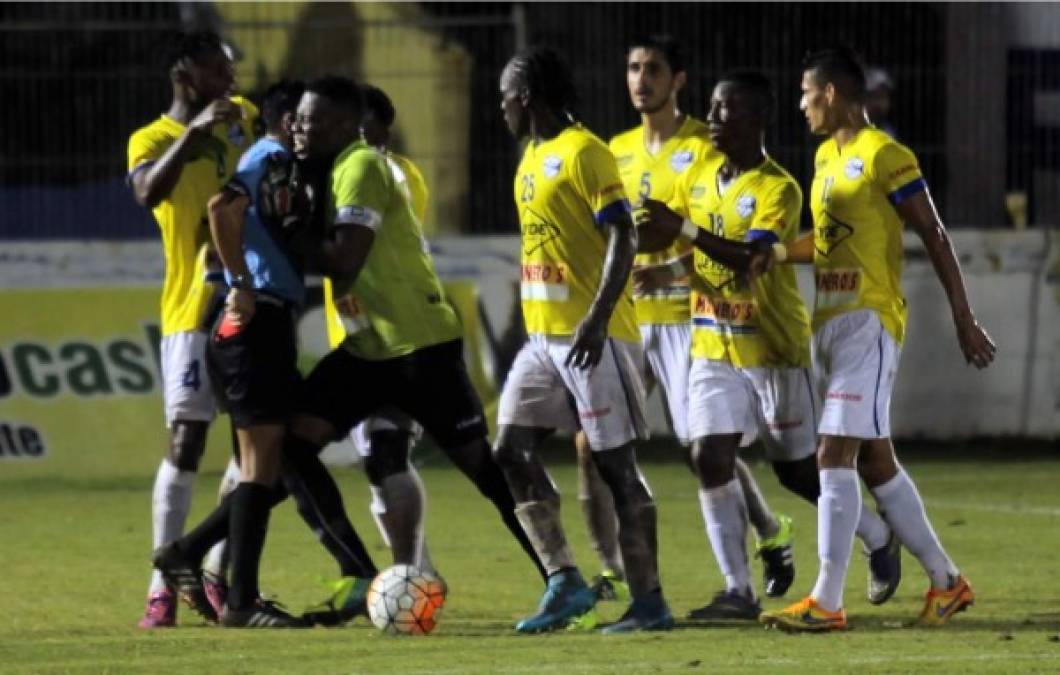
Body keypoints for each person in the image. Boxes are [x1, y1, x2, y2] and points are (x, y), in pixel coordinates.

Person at [759, 46, 996, 632]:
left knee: (831, 453)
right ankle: (947, 582)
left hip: (870, 320)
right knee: (875, 461)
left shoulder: (884, 154)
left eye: (806, 94)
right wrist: (781, 253)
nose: (801, 105)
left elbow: (934, 234)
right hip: (830, 324)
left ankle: (827, 600)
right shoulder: (823, 158)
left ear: (832, 93)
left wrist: (964, 318)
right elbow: (832, 238)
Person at [282, 75, 548, 595]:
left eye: (310, 120)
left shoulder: (364, 167)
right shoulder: (334, 168)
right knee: (296, 447)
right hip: (370, 348)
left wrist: (287, 233)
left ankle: (559, 575)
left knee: (482, 470)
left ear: (343, 126)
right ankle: (366, 573)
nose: (300, 128)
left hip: (419, 349)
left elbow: (347, 260)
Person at [576, 34, 798, 610]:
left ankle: (771, 533)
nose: (640, 79)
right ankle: (615, 570)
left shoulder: (707, 143)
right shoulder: (615, 149)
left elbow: (713, 228)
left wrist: (674, 271)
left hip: (685, 318)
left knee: (699, 449)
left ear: (678, 80)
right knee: (590, 442)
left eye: (652, 69)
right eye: (632, 67)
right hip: (627, 316)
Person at [154, 79, 384, 628]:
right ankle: (240, 603)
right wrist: (238, 282)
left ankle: (190, 556)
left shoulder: (286, 165)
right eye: (302, 120)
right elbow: (220, 207)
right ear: (288, 122)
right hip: (252, 320)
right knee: (261, 465)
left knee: (271, 461)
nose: (307, 131)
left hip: (267, 319)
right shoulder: (271, 154)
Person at [495, 46, 672, 634]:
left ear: (529, 98)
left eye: (506, 97)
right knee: (510, 450)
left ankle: (649, 601)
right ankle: (565, 581)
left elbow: (622, 233)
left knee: (615, 465)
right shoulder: (530, 156)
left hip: (598, 335)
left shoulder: (585, 152)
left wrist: (596, 318)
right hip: (544, 341)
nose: (501, 108)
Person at [127, 30, 255, 628]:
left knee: (250, 444)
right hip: (189, 307)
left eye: (232, 71)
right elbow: (148, 191)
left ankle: (213, 576)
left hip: (252, 303)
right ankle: (161, 582)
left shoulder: (248, 120)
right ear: (185, 76)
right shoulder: (151, 139)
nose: (231, 82)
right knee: (186, 439)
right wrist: (194, 133)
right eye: (218, 71)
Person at [321, 84, 438, 575]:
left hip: (398, 335)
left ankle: (409, 572)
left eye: (357, 126)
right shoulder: (346, 170)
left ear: (382, 132)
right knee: (377, 462)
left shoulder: (391, 173)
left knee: (388, 452)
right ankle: (417, 571)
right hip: (354, 335)